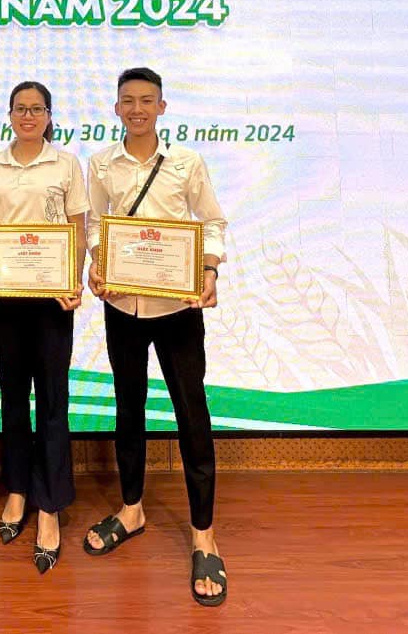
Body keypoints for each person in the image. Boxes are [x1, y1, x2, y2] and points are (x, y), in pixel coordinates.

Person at [83, 67, 229, 607]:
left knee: (192, 412)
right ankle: (132, 510)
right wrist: (97, 261)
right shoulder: (101, 163)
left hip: (177, 308)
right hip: (122, 305)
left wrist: (209, 270)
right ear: (116, 108)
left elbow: (211, 223)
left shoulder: (186, 162)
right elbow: (94, 224)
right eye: (128, 101)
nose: (137, 109)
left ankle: (204, 535)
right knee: (129, 408)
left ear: (162, 107)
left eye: (147, 100)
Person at [0, 81, 87, 574]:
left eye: (36, 109)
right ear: (9, 115)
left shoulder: (66, 164)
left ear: (48, 115)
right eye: (20, 109)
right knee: (13, 396)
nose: (28, 116)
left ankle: (50, 505)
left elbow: (78, 228)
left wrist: (73, 280)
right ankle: (18, 489)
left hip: (52, 298)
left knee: (53, 401)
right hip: (7, 299)